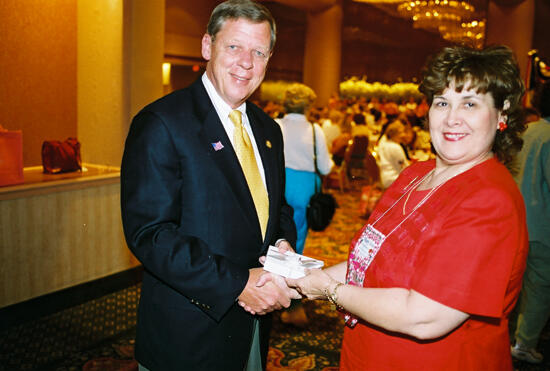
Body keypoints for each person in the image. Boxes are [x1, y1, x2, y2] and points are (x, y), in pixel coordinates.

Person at [283, 45, 529, 370]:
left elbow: (425, 317)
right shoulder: (416, 174)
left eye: (470, 103)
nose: (452, 118)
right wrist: (301, 276)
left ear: (502, 115)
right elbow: (366, 261)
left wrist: (328, 290)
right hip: (366, 353)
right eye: (442, 102)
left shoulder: (489, 199)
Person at [120, 1, 298, 370]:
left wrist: (282, 246)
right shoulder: (162, 123)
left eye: (258, 52)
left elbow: (275, 209)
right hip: (189, 335)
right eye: (234, 46)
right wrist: (236, 284)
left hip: (253, 328)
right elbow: (151, 234)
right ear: (207, 46)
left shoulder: (269, 131)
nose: (246, 62)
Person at [277, 83, 333, 326]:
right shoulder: (314, 130)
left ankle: (272, 288)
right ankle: (293, 304)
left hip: (278, 183)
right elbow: (325, 167)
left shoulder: (275, 125)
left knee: (274, 236)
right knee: (296, 241)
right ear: (308, 106)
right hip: (303, 189)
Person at [511, 81, 550, 364]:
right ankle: (524, 343)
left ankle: (513, 335)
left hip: (514, 219)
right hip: (542, 224)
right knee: (540, 285)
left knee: (516, 282)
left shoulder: (528, 131)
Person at [377, 119, 410, 188]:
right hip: (393, 179)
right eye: (401, 132)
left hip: (384, 176)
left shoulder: (384, 143)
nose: (404, 135)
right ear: (394, 134)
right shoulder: (396, 147)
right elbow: (403, 168)